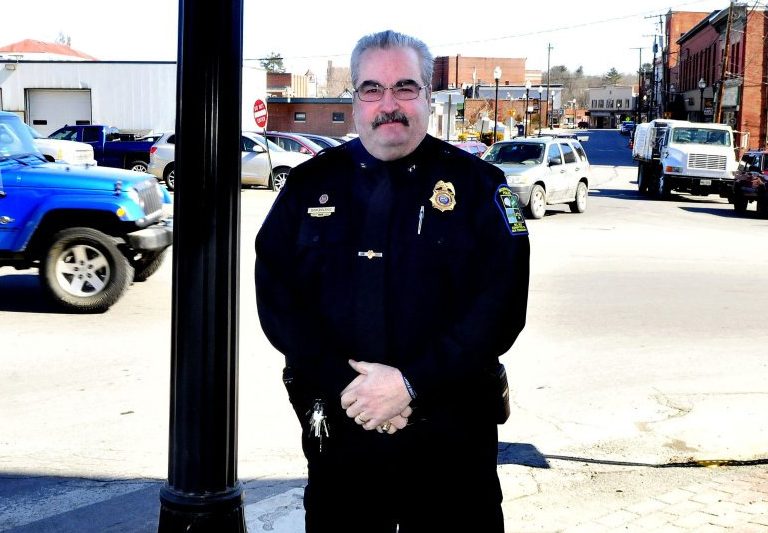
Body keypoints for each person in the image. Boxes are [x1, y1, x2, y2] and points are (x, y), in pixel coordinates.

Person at [255, 30, 530, 533]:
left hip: (452, 449)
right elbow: (278, 302)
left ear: (428, 96)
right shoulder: (309, 186)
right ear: (354, 99)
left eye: (405, 88)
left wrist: (410, 383)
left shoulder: (478, 187)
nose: (388, 105)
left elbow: (501, 308)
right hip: (344, 436)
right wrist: (354, 389)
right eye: (371, 89)